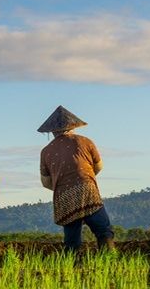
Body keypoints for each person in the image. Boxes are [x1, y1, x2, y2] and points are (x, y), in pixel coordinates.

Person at [38, 105, 115, 251]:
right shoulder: (85, 142)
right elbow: (99, 166)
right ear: (72, 126)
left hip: (64, 196)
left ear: (52, 131)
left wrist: (64, 186)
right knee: (104, 231)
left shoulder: (46, 151)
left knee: (72, 241)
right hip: (87, 190)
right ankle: (109, 260)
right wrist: (84, 180)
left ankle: (73, 267)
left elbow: (46, 182)